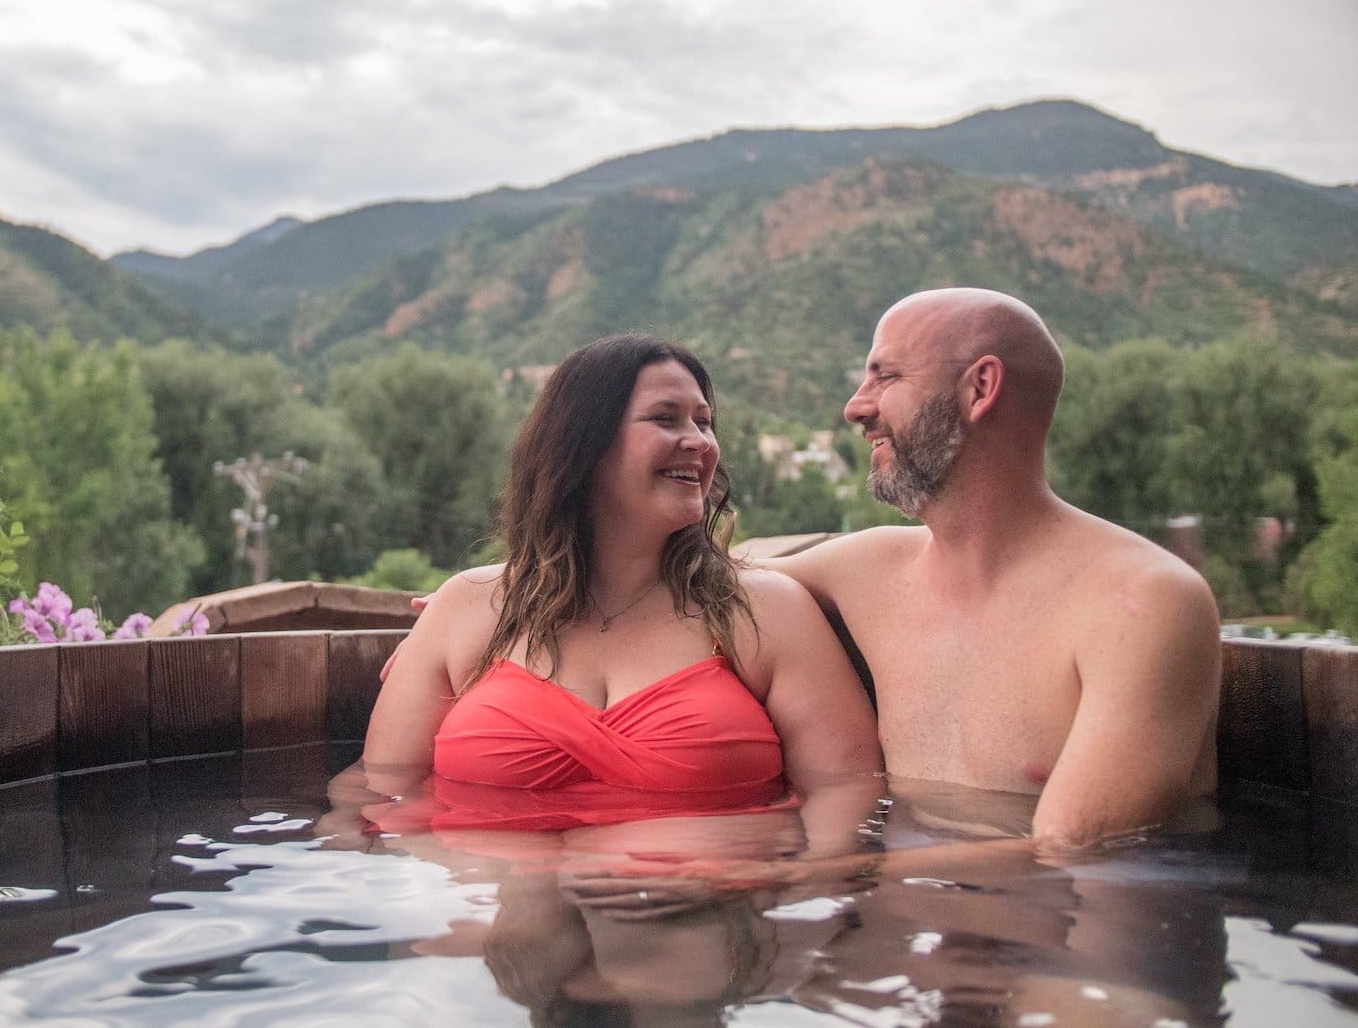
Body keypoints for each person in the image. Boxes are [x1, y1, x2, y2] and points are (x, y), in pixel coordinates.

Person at [360, 333, 881, 846]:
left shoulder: (766, 611)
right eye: (665, 418)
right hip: (496, 915)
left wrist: (783, 888)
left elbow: (848, 804)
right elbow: (377, 793)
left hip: (702, 913)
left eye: (704, 422)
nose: (700, 442)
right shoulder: (467, 607)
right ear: (582, 444)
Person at [762, 287, 1220, 851]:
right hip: (908, 920)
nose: (856, 407)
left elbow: (1070, 853)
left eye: (885, 377)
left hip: (1074, 930)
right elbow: (695, 575)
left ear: (980, 388)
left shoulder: (1143, 601)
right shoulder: (868, 570)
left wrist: (794, 875)